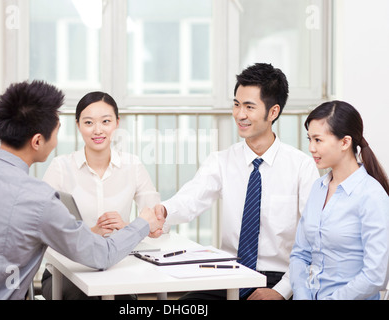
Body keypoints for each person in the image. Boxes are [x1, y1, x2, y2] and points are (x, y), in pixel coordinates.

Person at [0, 80, 163, 300]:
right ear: (38, 141)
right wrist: (142, 223)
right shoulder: (39, 199)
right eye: (56, 131)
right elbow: (101, 255)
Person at [154, 63, 319, 300]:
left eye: (249, 107)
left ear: (273, 112)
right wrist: (162, 212)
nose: (240, 114)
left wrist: (280, 292)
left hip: (280, 277)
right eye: (236, 104)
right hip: (230, 272)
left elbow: (311, 242)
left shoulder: (301, 167)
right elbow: (191, 199)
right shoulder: (221, 161)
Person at [40, 91, 161, 300]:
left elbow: (157, 220)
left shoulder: (132, 166)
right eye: (88, 123)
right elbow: (43, 226)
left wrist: (128, 228)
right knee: (87, 296)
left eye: (106, 121)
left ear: (117, 123)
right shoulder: (61, 167)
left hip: (117, 269)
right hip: (66, 272)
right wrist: (89, 233)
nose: (98, 130)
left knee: (121, 298)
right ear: (78, 125)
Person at [290, 100, 389, 300]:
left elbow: (375, 276)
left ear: (345, 142)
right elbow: (299, 254)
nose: (311, 148)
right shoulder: (319, 188)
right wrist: (302, 296)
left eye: (318, 140)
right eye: (309, 139)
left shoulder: (372, 196)